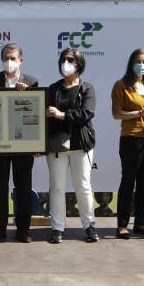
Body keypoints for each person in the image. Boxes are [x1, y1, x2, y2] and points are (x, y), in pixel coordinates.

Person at [0, 43, 40, 243]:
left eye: (13, 58)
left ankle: (23, 230)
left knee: (23, 188)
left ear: (20, 60)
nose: (9, 62)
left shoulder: (32, 82)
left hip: (23, 145)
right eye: (6, 58)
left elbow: (34, 114)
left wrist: (25, 94)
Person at [45, 48, 99, 244]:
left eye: (70, 60)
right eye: (63, 59)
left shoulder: (87, 88)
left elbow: (86, 113)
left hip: (81, 144)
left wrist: (62, 115)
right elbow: (45, 119)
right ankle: (57, 228)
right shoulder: (53, 89)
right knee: (57, 187)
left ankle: (89, 225)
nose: (65, 63)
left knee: (83, 186)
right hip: (57, 146)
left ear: (79, 65)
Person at [111, 48, 144, 239]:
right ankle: (122, 224)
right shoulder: (121, 85)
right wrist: (141, 113)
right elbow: (117, 114)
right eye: (139, 61)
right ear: (131, 64)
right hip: (130, 139)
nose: (142, 65)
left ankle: (140, 223)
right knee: (128, 181)